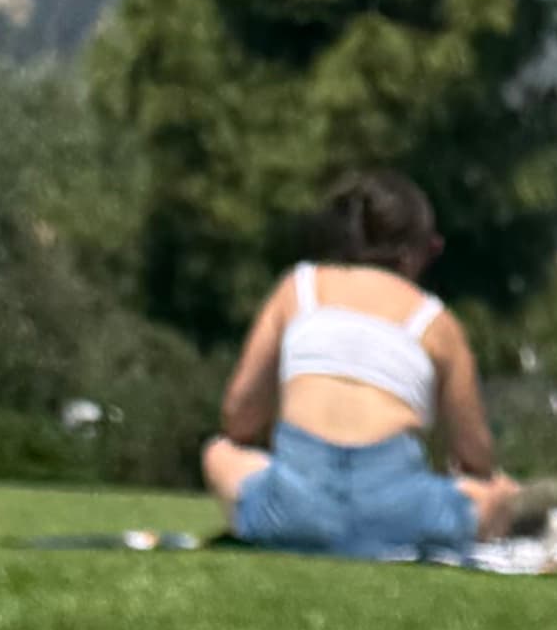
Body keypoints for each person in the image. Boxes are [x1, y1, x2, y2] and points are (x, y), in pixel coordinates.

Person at [203, 173, 533, 559]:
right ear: (414, 252)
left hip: (291, 512)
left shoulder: (298, 290)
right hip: (399, 518)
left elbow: (239, 415)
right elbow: (476, 455)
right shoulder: (436, 324)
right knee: (499, 492)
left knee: (218, 452)